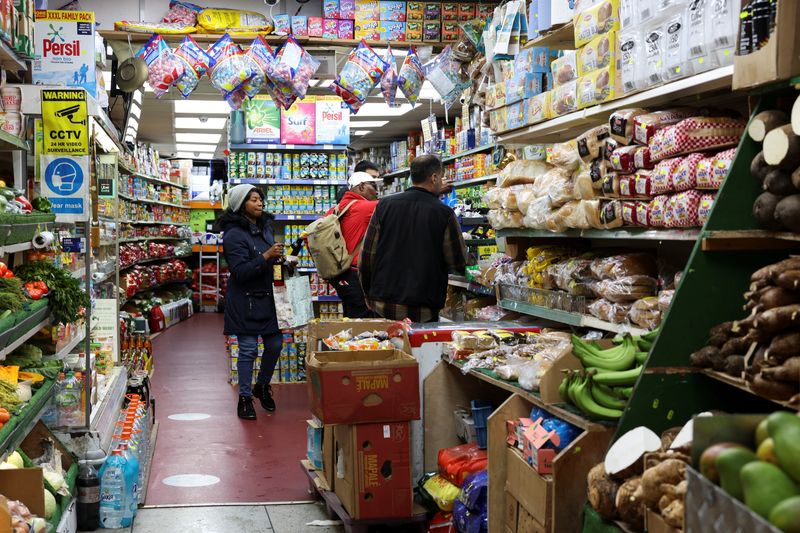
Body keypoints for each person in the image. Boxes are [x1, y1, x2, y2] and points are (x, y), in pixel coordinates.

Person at [359, 155, 468, 323]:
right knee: (420, 348)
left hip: (384, 302)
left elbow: (366, 257)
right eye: (441, 177)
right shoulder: (444, 213)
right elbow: (458, 261)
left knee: (387, 348)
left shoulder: (384, 206)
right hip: (424, 306)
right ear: (434, 178)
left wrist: (368, 293)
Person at [218, 184, 284, 420]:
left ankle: (262, 385)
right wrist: (266, 256)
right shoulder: (234, 234)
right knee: (248, 350)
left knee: (275, 344)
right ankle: (245, 398)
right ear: (240, 205)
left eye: (261, 199)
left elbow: (268, 261)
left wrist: (283, 262)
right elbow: (239, 272)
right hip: (244, 301)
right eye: (254, 199)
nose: (260, 203)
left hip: (267, 298)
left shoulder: (265, 227)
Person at [325, 171, 382, 318]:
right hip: (357, 275)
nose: (376, 191)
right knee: (366, 325)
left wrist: (329, 265)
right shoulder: (368, 207)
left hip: (340, 275)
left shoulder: (334, 211)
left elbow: (310, 237)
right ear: (361, 187)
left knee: (351, 319)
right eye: (373, 186)